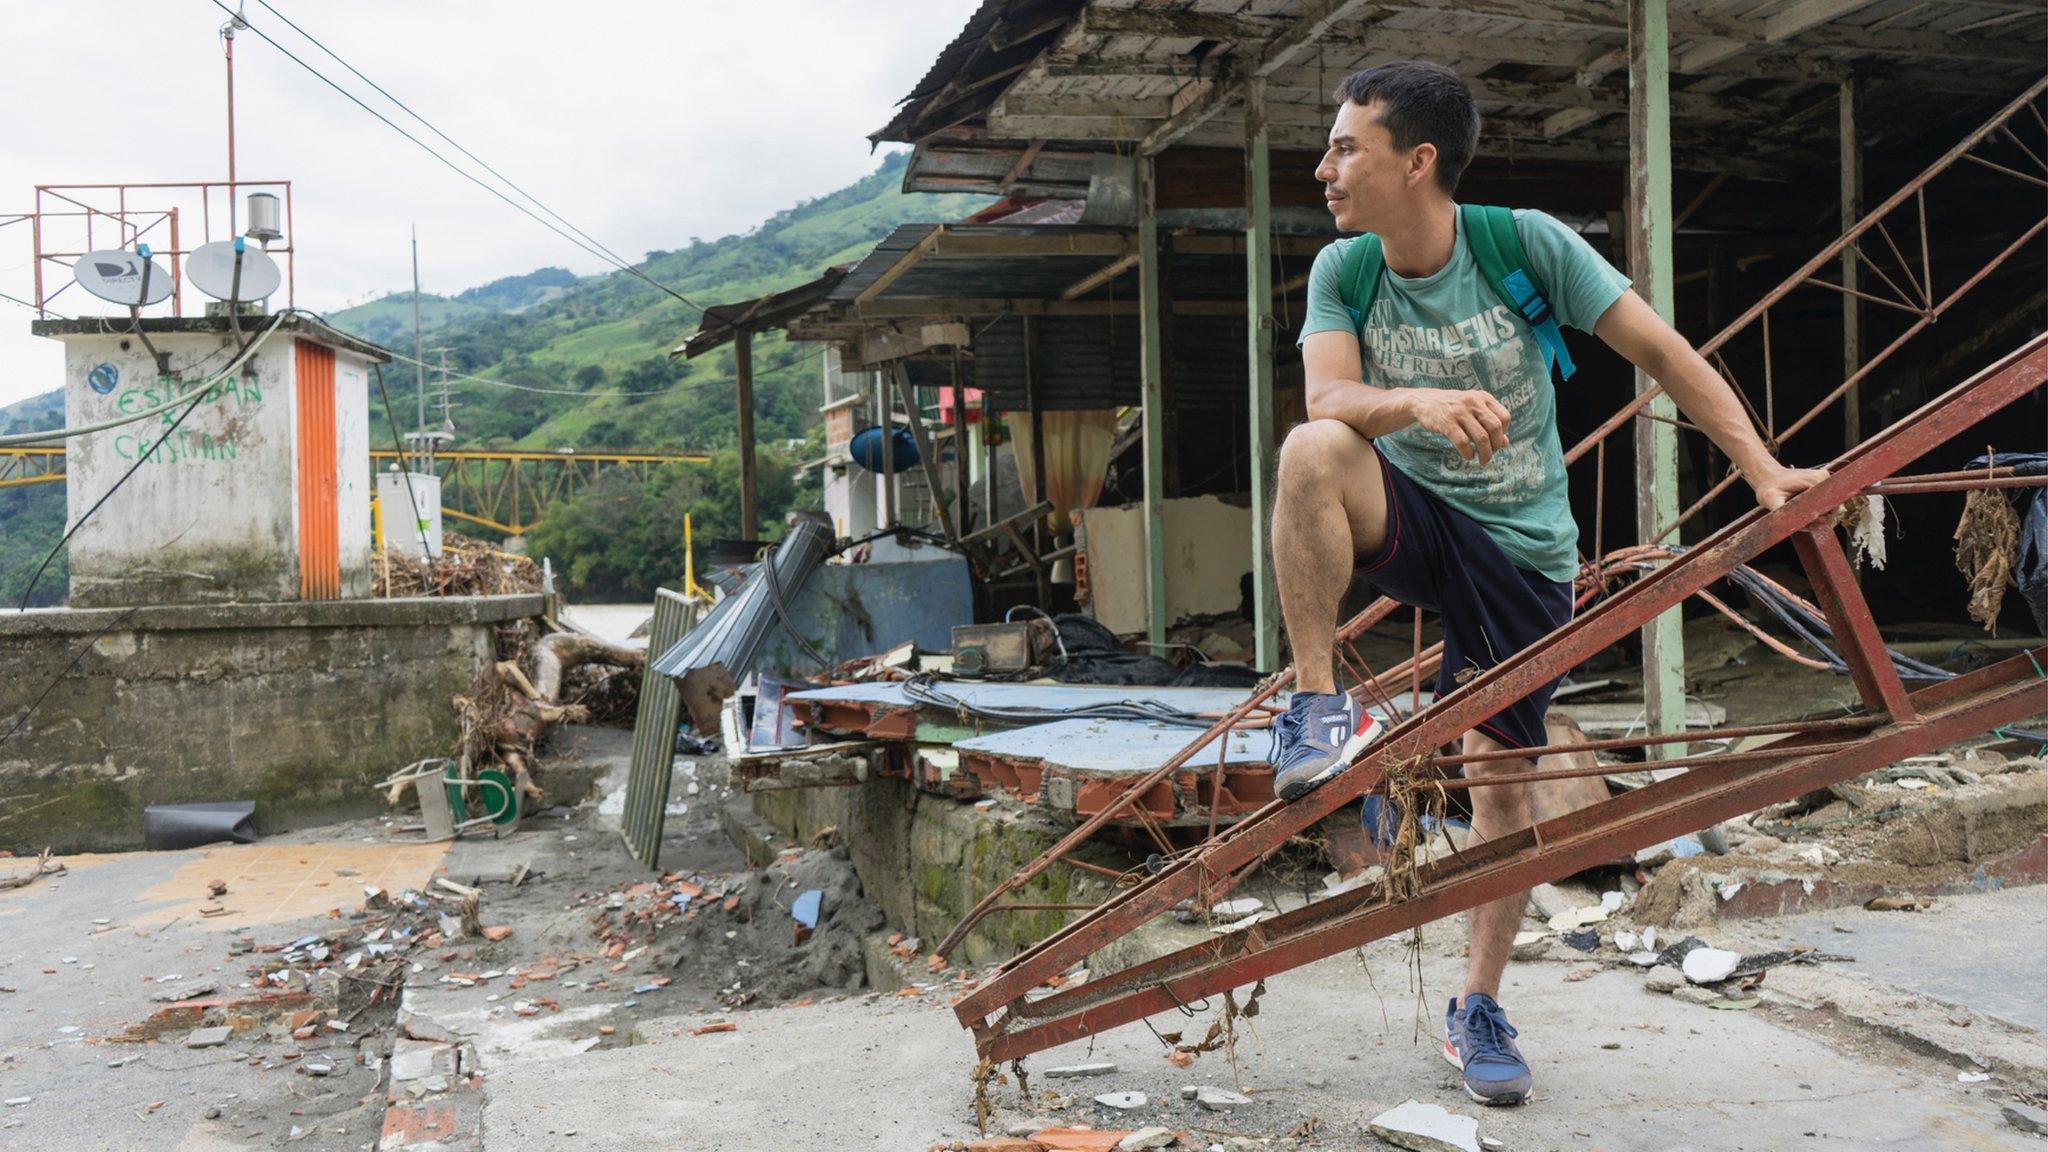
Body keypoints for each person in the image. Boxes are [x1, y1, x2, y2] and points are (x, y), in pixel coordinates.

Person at [1267, 61, 1826, 1107]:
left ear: (1416, 160)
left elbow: (1659, 350)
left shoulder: (1522, 244)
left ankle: (1476, 1003)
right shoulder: (1344, 270)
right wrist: (1419, 404)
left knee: (1500, 781)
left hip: (1521, 550)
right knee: (1309, 449)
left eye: (1346, 147)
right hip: (1419, 518)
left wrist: (1759, 470)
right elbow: (1329, 393)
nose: (1324, 167)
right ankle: (1312, 707)